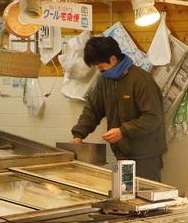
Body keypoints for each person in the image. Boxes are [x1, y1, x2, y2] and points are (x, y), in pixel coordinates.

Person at [71, 36, 166, 181]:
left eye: (101, 66)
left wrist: (123, 131)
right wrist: (78, 134)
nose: (100, 70)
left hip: (146, 157)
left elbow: (153, 118)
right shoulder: (104, 80)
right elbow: (93, 109)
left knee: (143, 198)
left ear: (113, 59)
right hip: (122, 154)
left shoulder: (141, 81)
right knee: (125, 196)